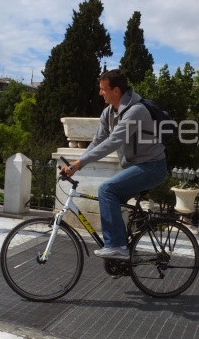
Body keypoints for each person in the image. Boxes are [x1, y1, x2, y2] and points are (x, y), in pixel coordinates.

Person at [62, 69, 167, 260]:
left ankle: (117, 246)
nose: (100, 93)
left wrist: (79, 163)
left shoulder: (136, 111)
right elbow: (97, 142)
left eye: (103, 89)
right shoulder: (108, 113)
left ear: (116, 90)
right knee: (111, 196)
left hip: (152, 167)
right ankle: (124, 247)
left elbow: (113, 142)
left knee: (106, 190)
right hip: (137, 167)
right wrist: (77, 164)